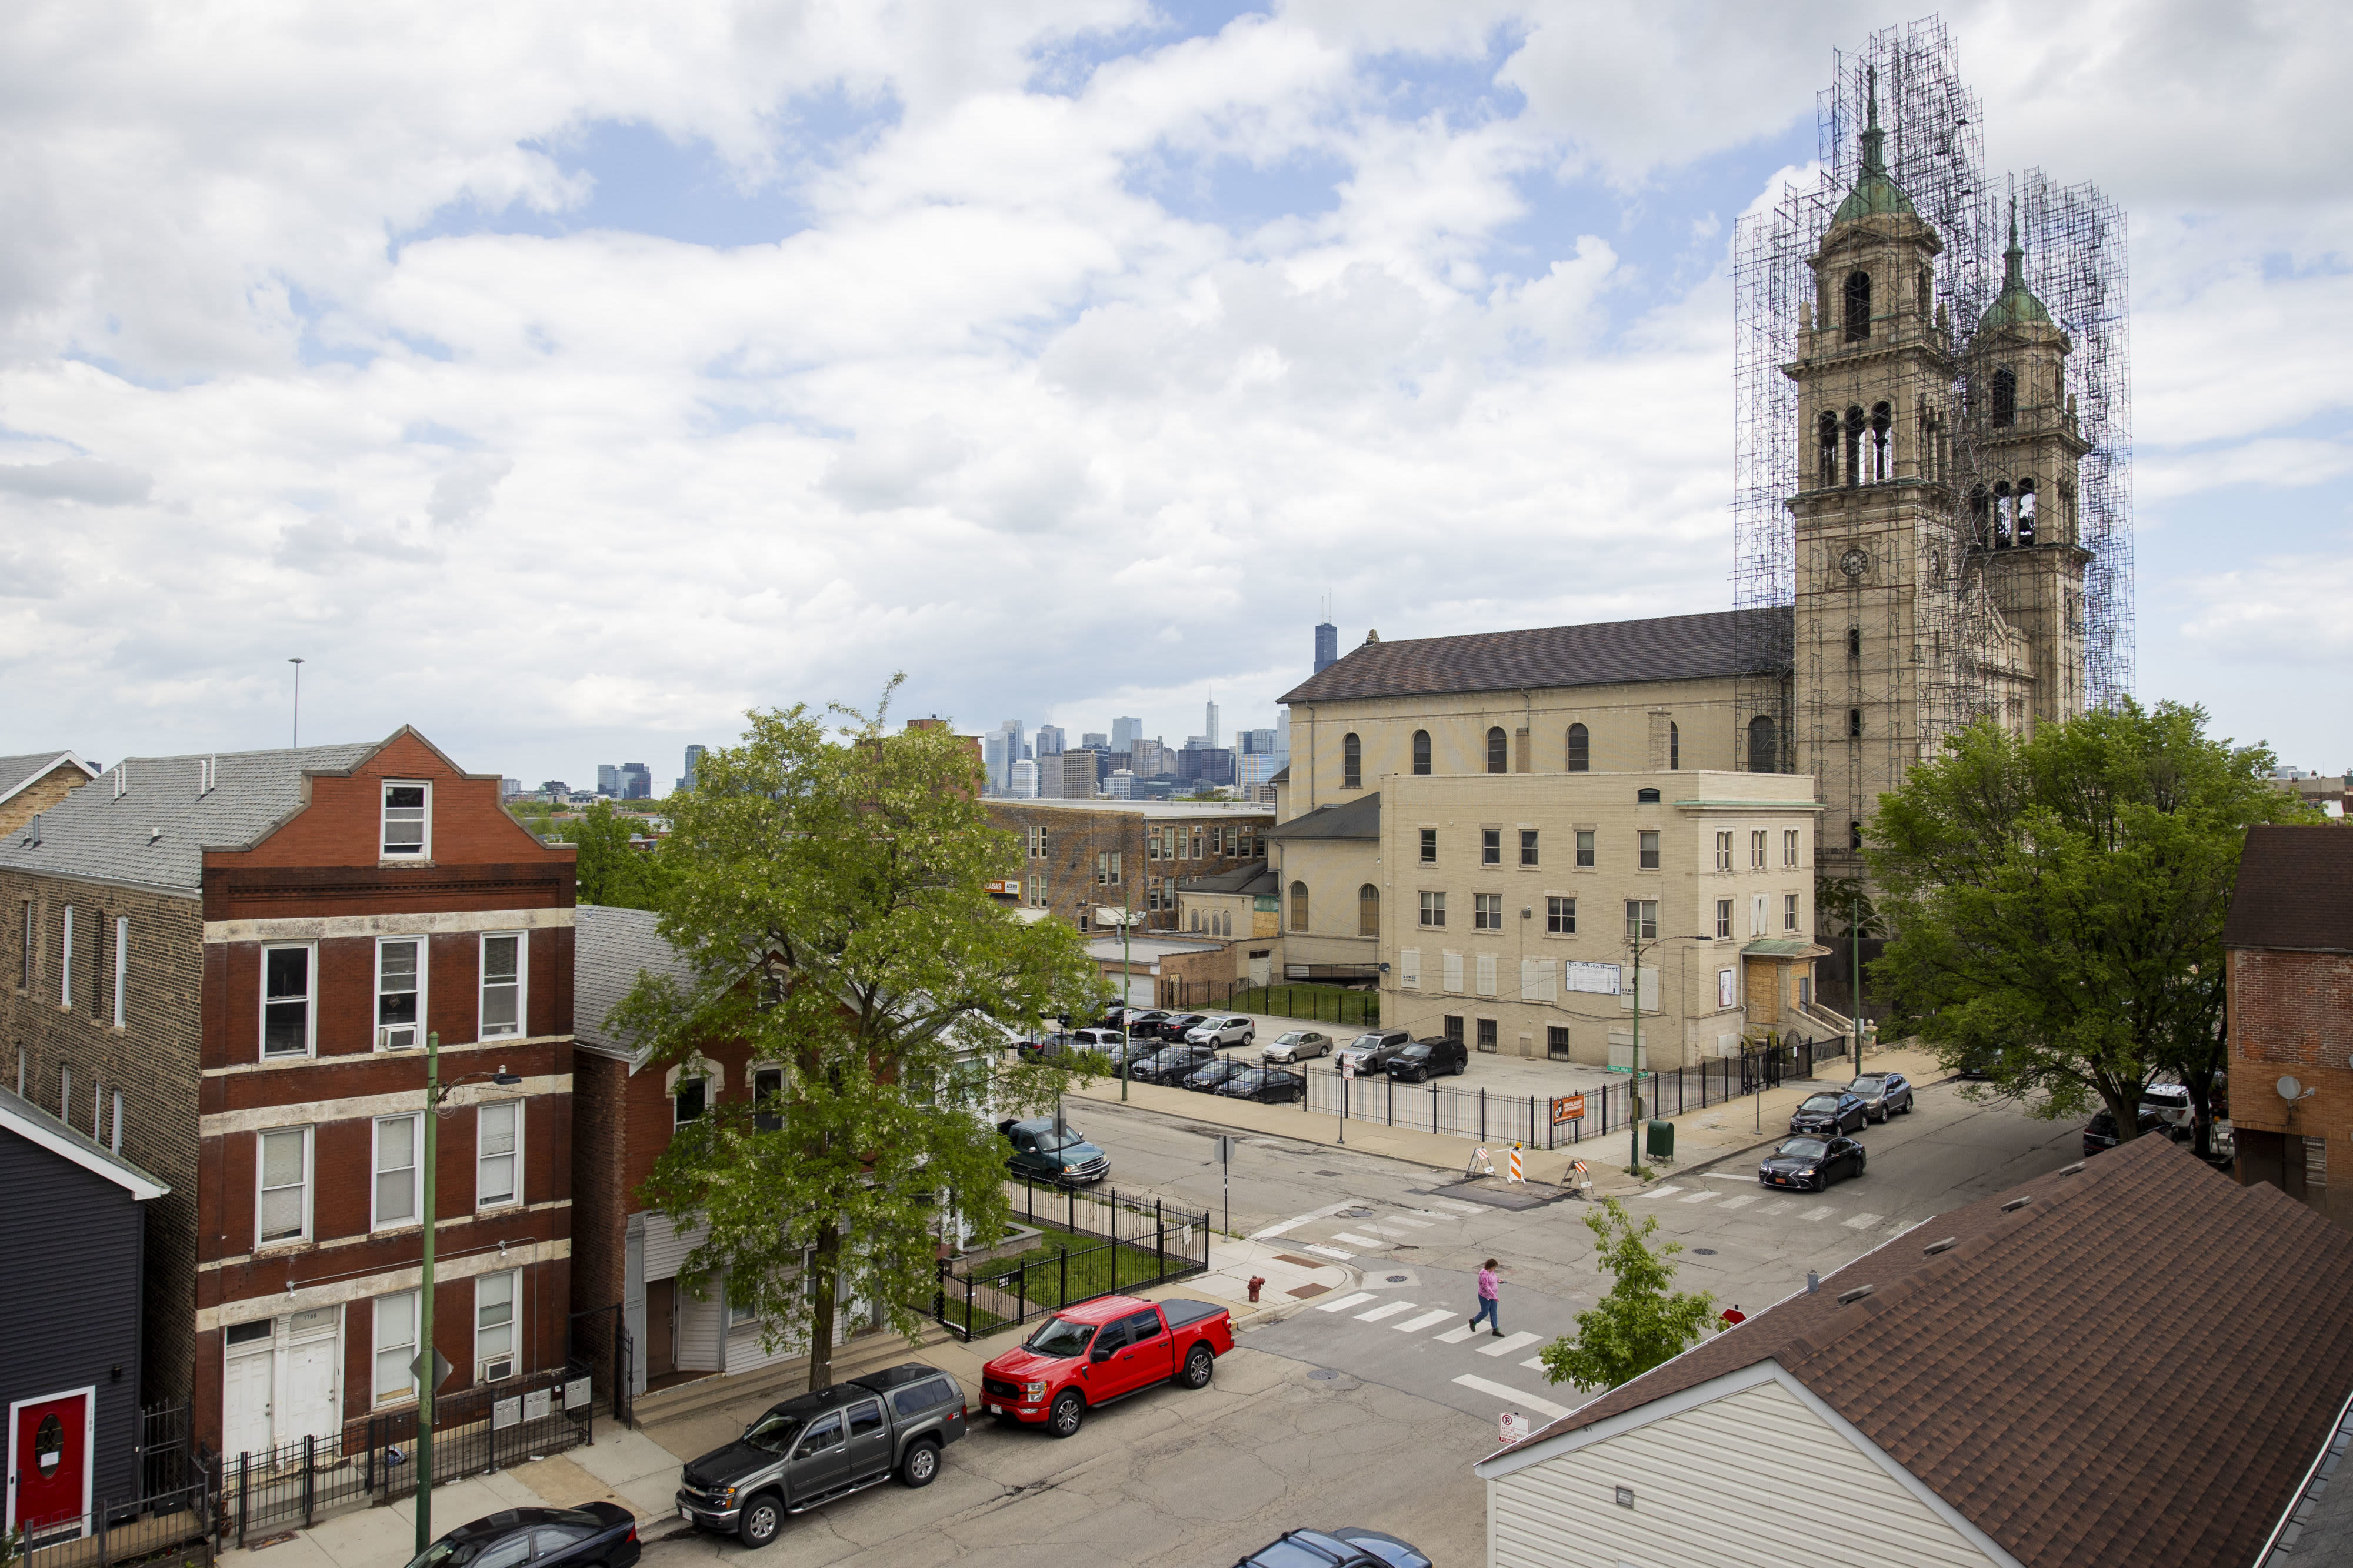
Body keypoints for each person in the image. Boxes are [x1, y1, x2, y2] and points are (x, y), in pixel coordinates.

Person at [1469, 1259, 1502, 1336]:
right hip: (1485, 1297)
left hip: (1493, 1296)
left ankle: (1495, 1329)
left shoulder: (1491, 1272)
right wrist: (1495, 1297)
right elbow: (1487, 1287)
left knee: (1494, 1312)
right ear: (1490, 1267)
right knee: (1485, 1312)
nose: (1494, 1269)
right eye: (1494, 1267)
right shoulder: (1483, 1274)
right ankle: (1474, 1321)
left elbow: (1494, 1277)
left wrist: (1498, 1280)